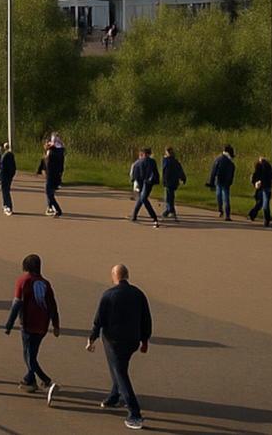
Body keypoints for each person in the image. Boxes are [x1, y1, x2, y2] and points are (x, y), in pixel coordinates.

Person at [87, 263, 152, 430]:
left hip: (114, 342)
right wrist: (145, 341)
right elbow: (146, 319)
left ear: (114, 276)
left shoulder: (108, 295)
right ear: (127, 276)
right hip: (132, 341)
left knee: (120, 373)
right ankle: (114, 397)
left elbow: (98, 320)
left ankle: (135, 413)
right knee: (119, 368)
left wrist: (92, 338)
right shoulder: (138, 293)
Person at [4, 253, 60, 401]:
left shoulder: (23, 281)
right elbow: (53, 305)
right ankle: (29, 381)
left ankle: (46, 380)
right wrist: (56, 325)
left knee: (28, 356)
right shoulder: (46, 284)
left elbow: (17, 304)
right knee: (32, 354)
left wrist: (9, 324)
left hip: (28, 324)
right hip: (42, 325)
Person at [128, 147, 160, 226]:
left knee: (143, 199)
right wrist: (155, 181)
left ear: (143, 154)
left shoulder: (138, 162)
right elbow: (155, 173)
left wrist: (134, 181)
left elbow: (135, 173)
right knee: (142, 198)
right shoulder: (152, 162)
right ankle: (136, 215)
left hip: (141, 182)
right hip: (149, 183)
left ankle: (153, 216)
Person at [207, 145, 236, 221]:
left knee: (220, 196)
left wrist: (211, 181)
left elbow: (213, 171)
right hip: (223, 181)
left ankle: (223, 211)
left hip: (221, 181)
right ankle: (226, 213)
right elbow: (231, 173)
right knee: (224, 197)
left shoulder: (219, 159)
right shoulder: (229, 162)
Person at [248, 155, 272, 226]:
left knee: (262, 204)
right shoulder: (265, 167)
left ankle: (264, 219)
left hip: (264, 187)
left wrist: (257, 183)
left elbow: (255, 177)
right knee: (262, 203)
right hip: (264, 187)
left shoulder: (263, 167)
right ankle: (256, 216)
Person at [41, 133, 65, 216]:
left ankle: (57, 209)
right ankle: (50, 207)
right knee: (50, 192)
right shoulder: (60, 150)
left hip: (51, 174)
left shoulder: (53, 151)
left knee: (49, 192)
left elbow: (47, 162)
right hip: (56, 174)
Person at [160, 146, 186, 221]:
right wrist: (183, 178)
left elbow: (164, 170)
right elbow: (180, 170)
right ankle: (172, 212)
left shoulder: (166, 160)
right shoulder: (175, 161)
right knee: (171, 197)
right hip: (174, 181)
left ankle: (168, 211)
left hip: (168, 181)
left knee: (168, 198)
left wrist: (163, 180)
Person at [0, 143, 16, 215]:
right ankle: (7, 205)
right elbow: (14, 167)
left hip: (5, 176)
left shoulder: (5, 156)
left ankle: (7, 205)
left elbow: (2, 168)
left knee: (5, 191)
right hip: (9, 175)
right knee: (6, 190)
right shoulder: (11, 155)